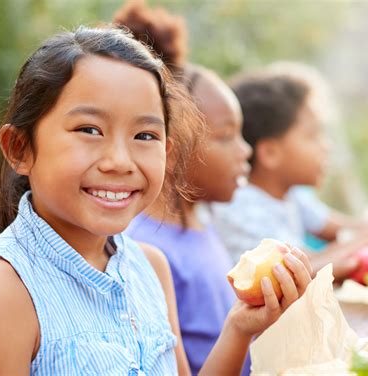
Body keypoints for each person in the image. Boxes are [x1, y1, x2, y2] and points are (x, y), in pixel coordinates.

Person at [0, 26, 312, 375]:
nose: (120, 161)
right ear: (20, 148)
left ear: (168, 149)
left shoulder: (150, 266)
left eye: (145, 135)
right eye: (89, 130)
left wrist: (239, 327)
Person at [114, 2, 264, 374]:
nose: (246, 151)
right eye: (227, 136)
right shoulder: (147, 250)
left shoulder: (201, 223)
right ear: (176, 146)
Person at [212, 71, 368, 280]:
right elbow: (302, 272)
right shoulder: (242, 207)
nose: (326, 146)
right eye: (313, 135)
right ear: (270, 153)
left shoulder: (291, 194)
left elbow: (351, 229)